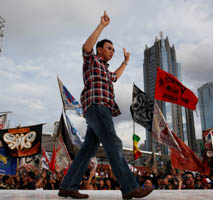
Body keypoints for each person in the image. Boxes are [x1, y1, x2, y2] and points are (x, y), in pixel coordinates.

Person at [58, 11, 153, 199]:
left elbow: (115, 76)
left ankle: (68, 186)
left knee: (89, 149)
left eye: (113, 50)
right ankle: (130, 188)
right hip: (97, 106)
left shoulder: (105, 70)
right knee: (114, 144)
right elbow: (86, 47)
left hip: (98, 110)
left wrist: (125, 61)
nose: (112, 52)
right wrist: (102, 26)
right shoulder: (92, 61)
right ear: (99, 49)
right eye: (109, 48)